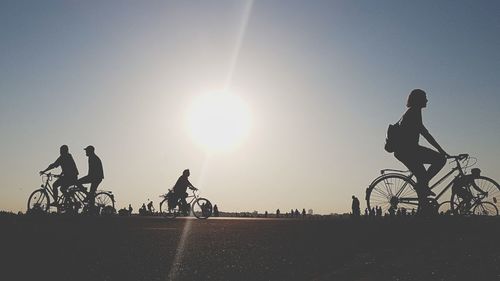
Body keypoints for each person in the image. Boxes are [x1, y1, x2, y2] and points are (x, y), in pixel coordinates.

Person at [394, 89, 448, 213]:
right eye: (425, 98)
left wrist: (440, 149)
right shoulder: (414, 112)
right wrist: (441, 150)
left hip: (407, 150)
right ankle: (422, 187)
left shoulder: (413, 111)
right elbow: (425, 133)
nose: (427, 100)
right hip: (408, 151)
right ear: (418, 100)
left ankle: (424, 207)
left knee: (422, 178)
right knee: (440, 159)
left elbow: (423, 131)